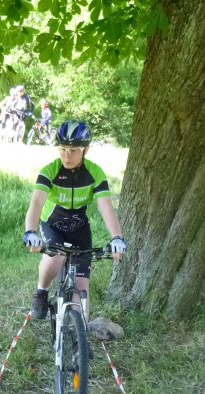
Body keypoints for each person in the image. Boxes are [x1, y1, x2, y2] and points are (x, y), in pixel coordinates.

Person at [23, 120, 127, 324]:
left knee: (82, 286)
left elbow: (106, 207)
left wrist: (117, 237)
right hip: (52, 225)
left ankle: (81, 340)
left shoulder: (95, 173)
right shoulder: (50, 170)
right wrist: (30, 232)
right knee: (56, 256)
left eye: (72, 150)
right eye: (62, 149)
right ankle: (41, 292)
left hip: (79, 228)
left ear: (85, 150)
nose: (66, 155)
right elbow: (35, 204)